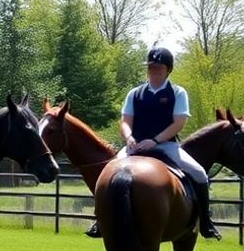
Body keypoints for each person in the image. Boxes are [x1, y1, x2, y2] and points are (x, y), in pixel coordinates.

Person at [85, 46, 219, 240]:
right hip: (135, 146)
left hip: (166, 145)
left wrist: (155, 140)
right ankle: (100, 219)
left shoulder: (177, 93)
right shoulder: (135, 93)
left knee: (199, 174)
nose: (154, 70)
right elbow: (125, 120)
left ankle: (205, 222)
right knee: (107, 173)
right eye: (151, 67)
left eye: (158, 67)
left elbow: (178, 123)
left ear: (168, 70)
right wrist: (129, 137)